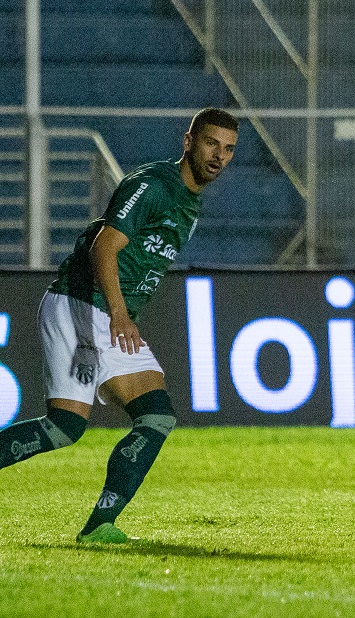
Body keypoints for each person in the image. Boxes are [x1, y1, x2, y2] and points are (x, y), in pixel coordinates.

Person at [0, 108, 239, 543]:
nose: (218, 155)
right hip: (83, 304)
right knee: (68, 426)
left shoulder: (189, 200)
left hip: (102, 312)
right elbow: (103, 246)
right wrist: (120, 312)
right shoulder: (152, 185)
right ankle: (99, 525)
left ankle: (100, 526)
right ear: (188, 141)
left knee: (149, 418)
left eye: (228, 149)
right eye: (210, 143)